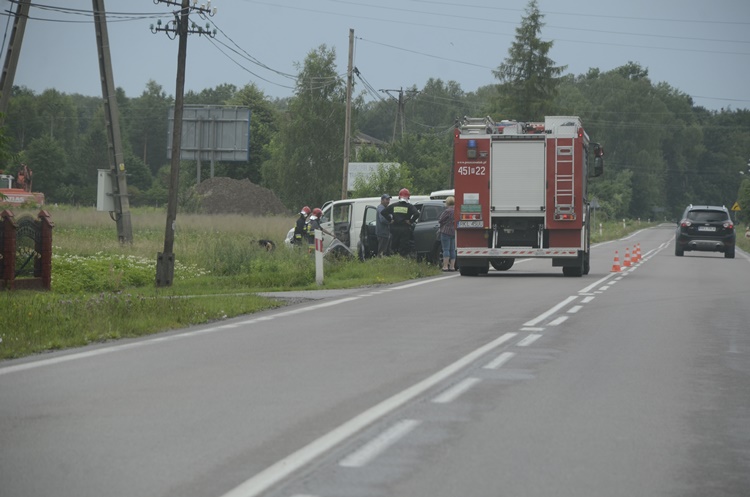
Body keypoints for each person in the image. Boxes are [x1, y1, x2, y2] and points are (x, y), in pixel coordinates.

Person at [382, 188, 420, 257]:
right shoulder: (410, 206)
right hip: (405, 228)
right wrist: (411, 221)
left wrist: (390, 220)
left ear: (399, 197)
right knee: (404, 246)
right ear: (408, 197)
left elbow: (383, 212)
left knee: (394, 245)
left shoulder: (394, 205)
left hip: (394, 228)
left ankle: (394, 257)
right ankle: (402, 258)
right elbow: (417, 214)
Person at [438, 195, 457, 271]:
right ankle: (452, 266)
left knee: (445, 249)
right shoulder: (456, 210)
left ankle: (445, 266)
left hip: (445, 231)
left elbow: (440, 220)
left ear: (447, 203)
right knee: (452, 249)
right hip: (453, 231)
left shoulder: (447, 211)